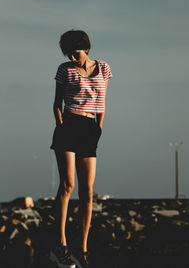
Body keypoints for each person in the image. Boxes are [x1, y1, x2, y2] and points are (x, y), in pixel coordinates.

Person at [49, 30, 113, 268]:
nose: (72, 57)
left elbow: (102, 102)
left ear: (85, 48)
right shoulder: (64, 70)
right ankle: (61, 244)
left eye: (75, 53)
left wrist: (99, 128)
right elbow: (56, 104)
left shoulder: (104, 68)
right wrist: (61, 125)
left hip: (90, 128)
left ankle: (83, 249)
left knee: (87, 192)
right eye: (68, 53)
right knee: (68, 185)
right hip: (69, 124)